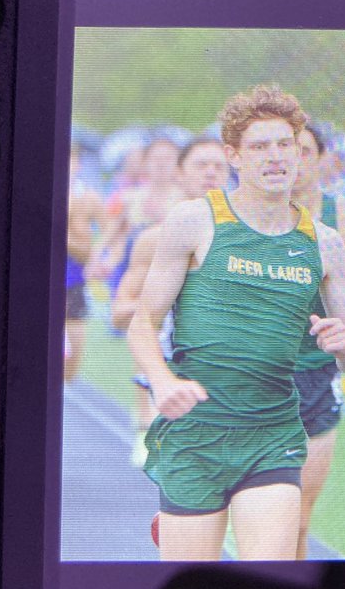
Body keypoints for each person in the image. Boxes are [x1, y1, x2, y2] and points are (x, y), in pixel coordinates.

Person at [127, 85, 345, 562]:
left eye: (286, 146)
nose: (276, 157)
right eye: (260, 146)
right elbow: (142, 322)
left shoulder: (324, 242)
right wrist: (160, 380)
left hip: (272, 435)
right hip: (197, 433)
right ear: (234, 155)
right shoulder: (194, 221)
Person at [111, 138, 232, 467]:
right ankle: (143, 426)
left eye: (219, 166)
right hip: (173, 373)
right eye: (200, 165)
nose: (210, 173)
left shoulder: (251, 242)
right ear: (180, 174)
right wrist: (165, 303)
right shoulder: (154, 239)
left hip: (233, 379)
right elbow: (121, 314)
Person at [292, 126, 345, 559]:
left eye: (305, 151)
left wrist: (332, 264)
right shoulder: (237, 215)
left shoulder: (344, 220)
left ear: (322, 159)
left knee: (298, 517)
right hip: (248, 376)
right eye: (284, 149)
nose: (293, 160)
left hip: (314, 374)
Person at [64, 140, 106, 383]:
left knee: (74, 341)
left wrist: (98, 259)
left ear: (78, 164)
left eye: (71, 159)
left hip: (74, 277)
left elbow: (108, 233)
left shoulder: (87, 197)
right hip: (41, 276)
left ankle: (65, 390)